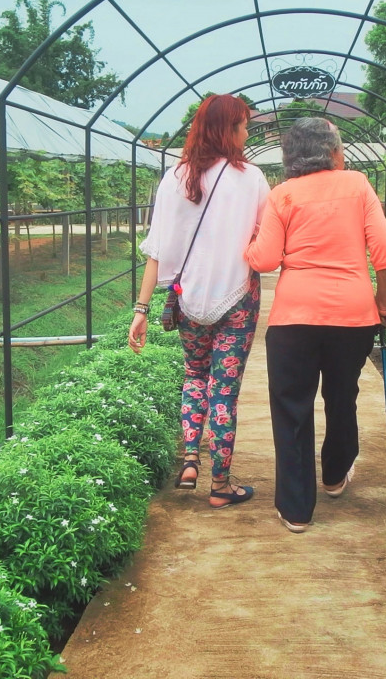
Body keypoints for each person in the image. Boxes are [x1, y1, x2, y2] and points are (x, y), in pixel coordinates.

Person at [244, 117, 386, 533]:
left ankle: (296, 509)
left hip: (294, 318)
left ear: (291, 156)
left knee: (291, 408)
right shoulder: (358, 185)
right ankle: (333, 476)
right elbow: (384, 253)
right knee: (342, 396)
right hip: (352, 315)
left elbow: (264, 260)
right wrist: (382, 302)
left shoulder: (282, 195)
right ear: (331, 152)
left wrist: (248, 241)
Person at [128, 94, 270, 508]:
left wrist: (141, 310)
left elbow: (157, 250)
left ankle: (191, 459)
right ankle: (221, 486)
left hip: (186, 299)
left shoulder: (175, 178)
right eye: (243, 125)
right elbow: (265, 241)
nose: (247, 132)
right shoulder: (252, 179)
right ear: (228, 129)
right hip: (237, 297)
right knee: (224, 392)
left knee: (194, 376)